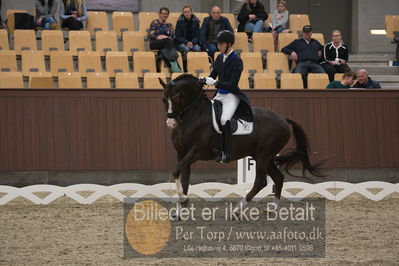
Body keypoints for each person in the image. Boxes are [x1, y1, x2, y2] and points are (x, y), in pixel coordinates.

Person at [202, 31, 252, 163]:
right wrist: (203, 80)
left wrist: (216, 83)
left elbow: (232, 84)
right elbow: (212, 75)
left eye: (221, 43)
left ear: (229, 44)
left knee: (224, 119)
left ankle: (226, 153)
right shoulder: (219, 58)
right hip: (219, 95)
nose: (218, 46)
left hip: (231, 96)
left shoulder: (237, 61)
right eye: (218, 43)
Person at [148, 7, 182, 73]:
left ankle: (162, 56)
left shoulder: (169, 25)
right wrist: (158, 37)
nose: (164, 15)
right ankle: (175, 65)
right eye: (163, 13)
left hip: (166, 45)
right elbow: (151, 36)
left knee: (167, 44)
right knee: (168, 41)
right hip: (155, 43)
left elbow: (172, 37)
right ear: (159, 14)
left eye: (166, 14)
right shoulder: (154, 23)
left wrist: (163, 37)